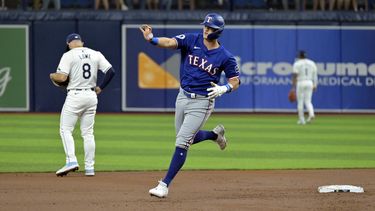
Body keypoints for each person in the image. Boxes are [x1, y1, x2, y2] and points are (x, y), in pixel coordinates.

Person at [139, 13, 240, 198]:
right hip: (182, 96)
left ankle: (164, 185)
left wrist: (224, 88)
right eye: (205, 26)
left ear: (217, 32)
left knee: (182, 142)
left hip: (203, 101)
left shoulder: (225, 56)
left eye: (209, 28)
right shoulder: (192, 39)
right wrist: (151, 39)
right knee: (188, 138)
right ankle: (214, 135)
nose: (205, 29)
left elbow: (235, 81)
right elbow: (169, 42)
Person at [50, 33, 115, 177]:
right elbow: (111, 71)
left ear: (68, 43)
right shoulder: (95, 53)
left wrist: (52, 76)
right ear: (82, 42)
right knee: (88, 133)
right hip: (91, 96)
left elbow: (61, 77)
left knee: (65, 129)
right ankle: (90, 168)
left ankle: (71, 160)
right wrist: (101, 87)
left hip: (75, 95)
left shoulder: (68, 55)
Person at [291, 50, 318, 125]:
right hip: (310, 82)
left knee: (300, 101)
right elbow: (315, 75)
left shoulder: (297, 63)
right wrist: (315, 84)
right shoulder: (312, 63)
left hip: (301, 82)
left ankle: (301, 119)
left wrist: (293, 87)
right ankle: (311, 114)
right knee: (308, 101)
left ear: (299, 56)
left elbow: (295, 75)